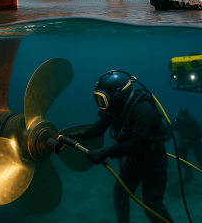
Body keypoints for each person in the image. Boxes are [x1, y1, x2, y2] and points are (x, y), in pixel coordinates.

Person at [63, 70, 174, 223]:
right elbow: (96, 129)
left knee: (152, 204)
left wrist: (105, 152)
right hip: (135, 160)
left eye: (102, 99)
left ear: (117, 95)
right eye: (98, 99)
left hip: (154, 161)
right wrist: (68, 136)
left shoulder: (143, 110)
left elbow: (136, 142)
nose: (102, 105)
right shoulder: (115, 107)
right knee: (120, 194)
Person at [171, 108, 202, 194]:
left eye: (183, 116)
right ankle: (189, 173)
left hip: (195, 141)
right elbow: (171, 128)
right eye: (180, 116)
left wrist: (190, 140)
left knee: (200, 161)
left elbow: (200, 133)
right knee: (180, 156)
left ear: (186, 116)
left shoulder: (191, 122)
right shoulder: (176, 121)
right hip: (185, 141)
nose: (181, 118)